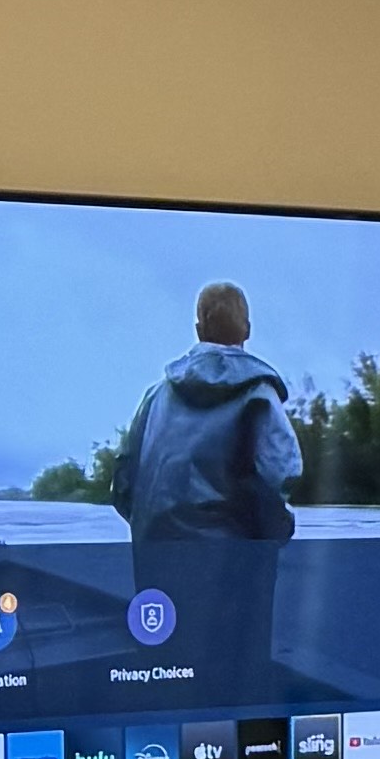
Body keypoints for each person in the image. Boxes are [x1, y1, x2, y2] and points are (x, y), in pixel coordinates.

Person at [110, 280, 302, 707]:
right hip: (232, 571)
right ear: (246, 329)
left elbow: (123, 483)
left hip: (159, 561)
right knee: (237, 683)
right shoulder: (258, 394)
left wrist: (156, 530)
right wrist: (272, 536)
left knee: (167, 676)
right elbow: (279, 474)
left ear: (198, 327)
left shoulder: (153, 398)